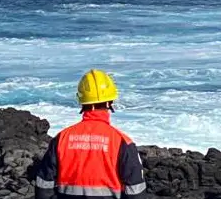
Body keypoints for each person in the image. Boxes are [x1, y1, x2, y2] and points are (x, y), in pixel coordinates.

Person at [35, 69, 148, 199]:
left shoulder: (62, 139)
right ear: (110, 101)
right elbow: (136, 193)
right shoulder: (122, 142)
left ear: (81, 100)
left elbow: (43, 186)